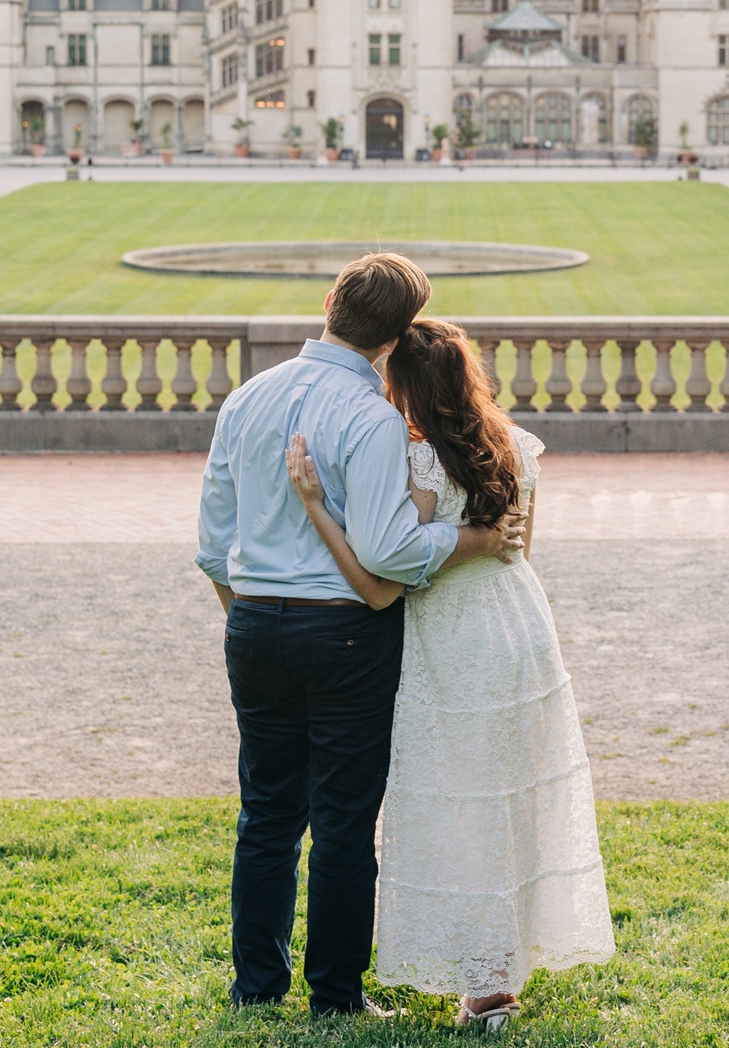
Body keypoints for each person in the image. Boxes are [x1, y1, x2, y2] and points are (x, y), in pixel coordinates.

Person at [194, 254, 526, 1017]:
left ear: (330, 301)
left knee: (268, 810)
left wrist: (250, 615)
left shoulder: (247, 398)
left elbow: (213, 543)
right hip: (344, 630)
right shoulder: (369, 415)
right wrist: (466, 543)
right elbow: (388, 550)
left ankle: (256, 985)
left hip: (252, 619)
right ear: (394, 337)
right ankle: (336, 996)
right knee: (343, 819)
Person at [285, 317, 614, 1032]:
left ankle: (487, 981)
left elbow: (391, 572)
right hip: (522, 627)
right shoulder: (517, 446)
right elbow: (521, 550)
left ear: (406, 384)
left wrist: (317, 505)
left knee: (459, 804)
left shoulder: (423, 463)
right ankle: (498, 973)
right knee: (508, 795)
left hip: (453, 638)